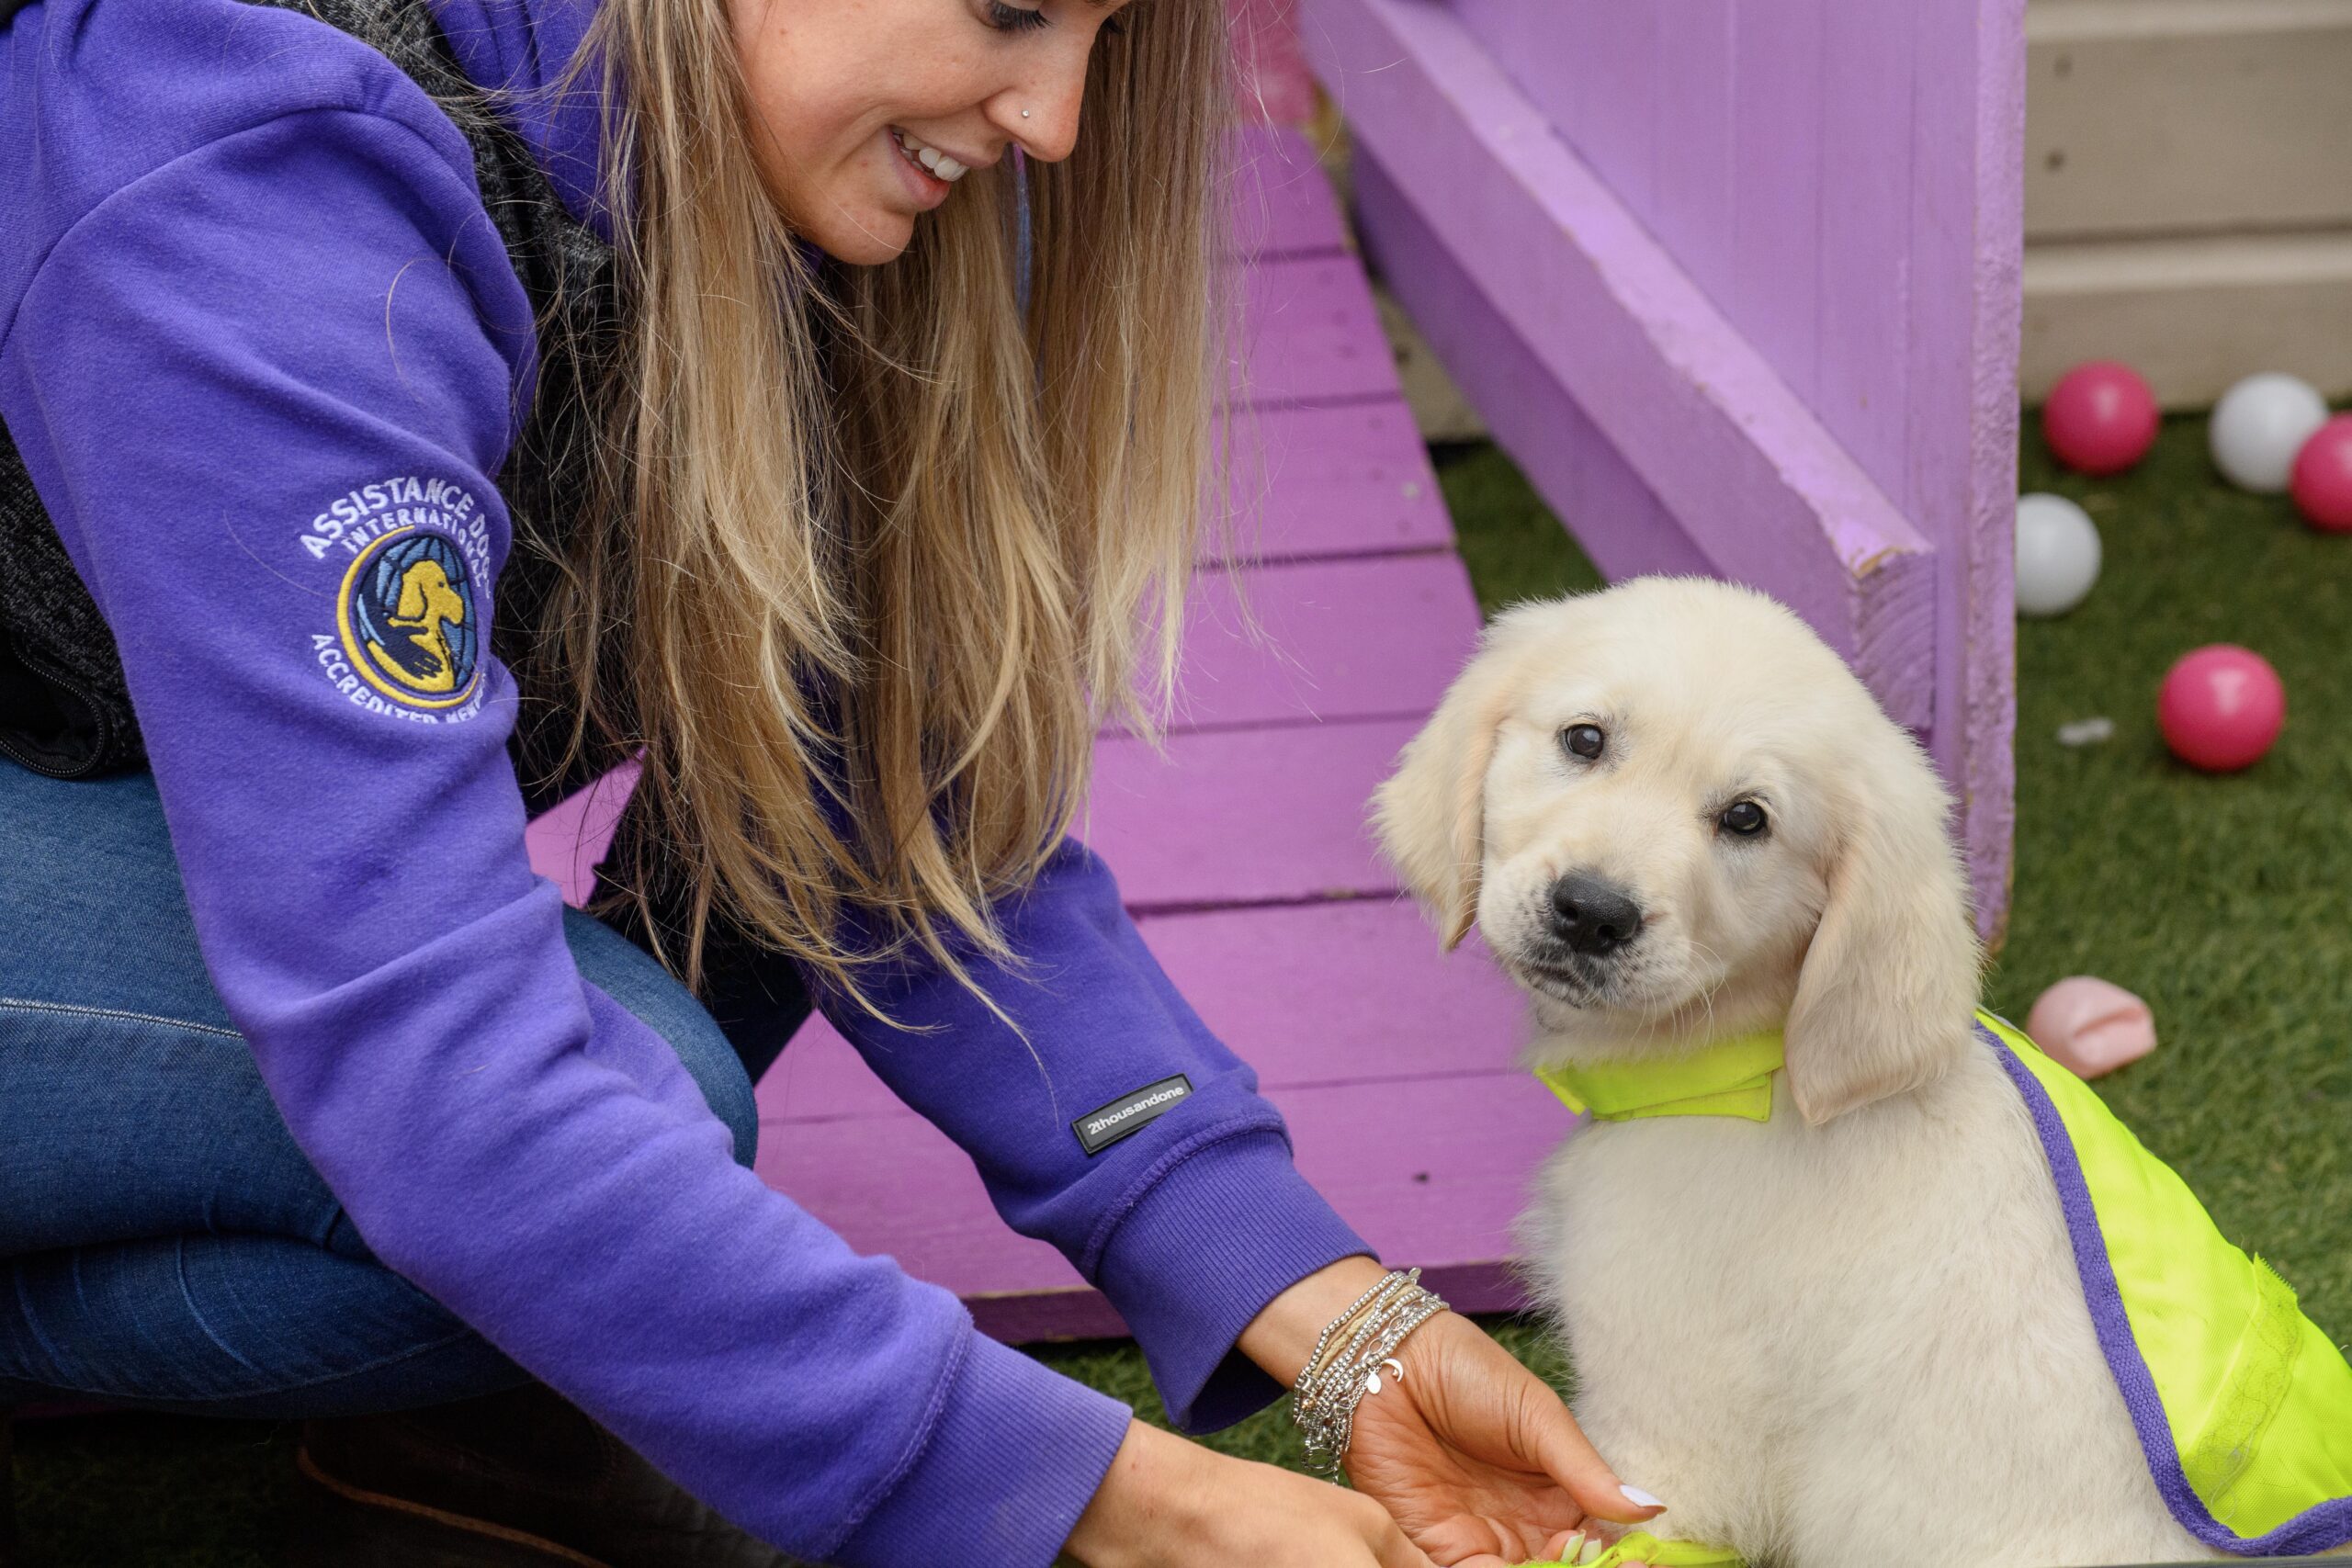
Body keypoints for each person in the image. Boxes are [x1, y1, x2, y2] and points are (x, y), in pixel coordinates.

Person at [0, 0, 1661, 1562]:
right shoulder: (255, 182)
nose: (1060, 121)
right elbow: (441, 1072)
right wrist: (1113, 1500)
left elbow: (868, 794)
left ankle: (527, 1370)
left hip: (149, 808)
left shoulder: (794, 137)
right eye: (1011, 4)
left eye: (1112, 26)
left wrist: (1324, 1304)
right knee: (620, 1088)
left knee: (618, 1106)